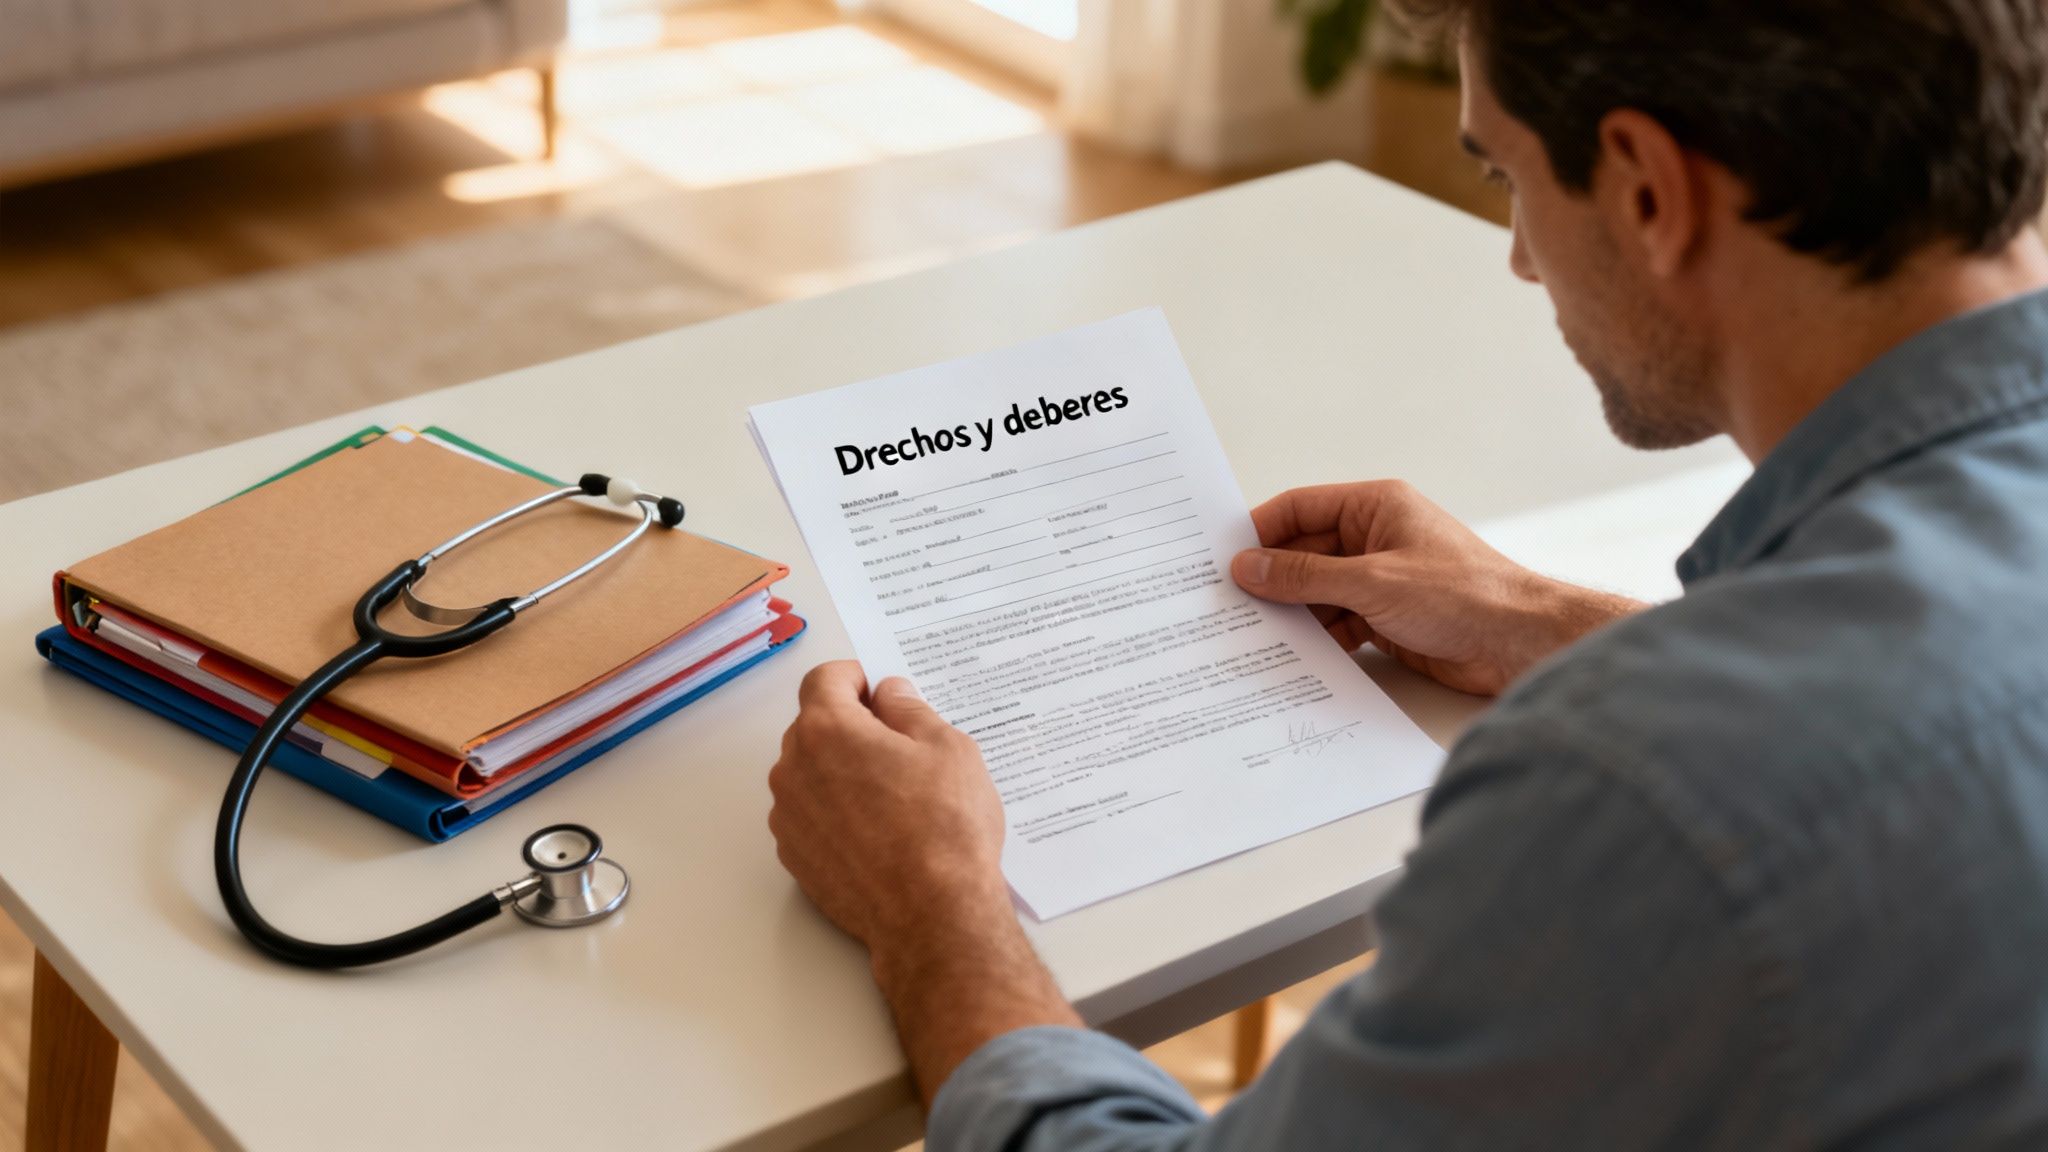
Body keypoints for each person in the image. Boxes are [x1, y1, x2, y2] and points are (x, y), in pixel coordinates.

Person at [766, 0, 2048, 1146]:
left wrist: (929, 902)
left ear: (1648, 190)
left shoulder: (1634, 797)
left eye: (1505, 177)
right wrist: (1550, 622)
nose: (1522, 259)